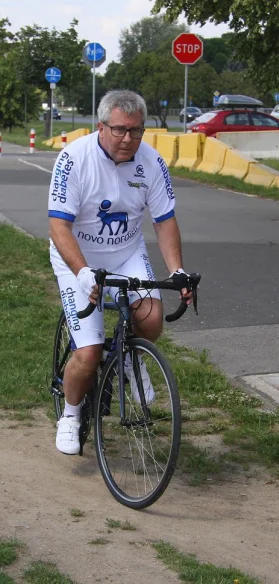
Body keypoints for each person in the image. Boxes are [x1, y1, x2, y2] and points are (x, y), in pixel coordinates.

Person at [48, 89, 192, 455]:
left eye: (136, 131)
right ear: (101, 127)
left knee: (151, 317)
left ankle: (130, 361)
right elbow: (59, 226)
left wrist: (177, 270)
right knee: (89, 351)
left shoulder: (152, 162)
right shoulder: (73, 159)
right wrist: (81, 272)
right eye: (120, 130)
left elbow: (164, 221)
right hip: (77, 255)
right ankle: (70, 413)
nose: (128, 139)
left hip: (126, 251)